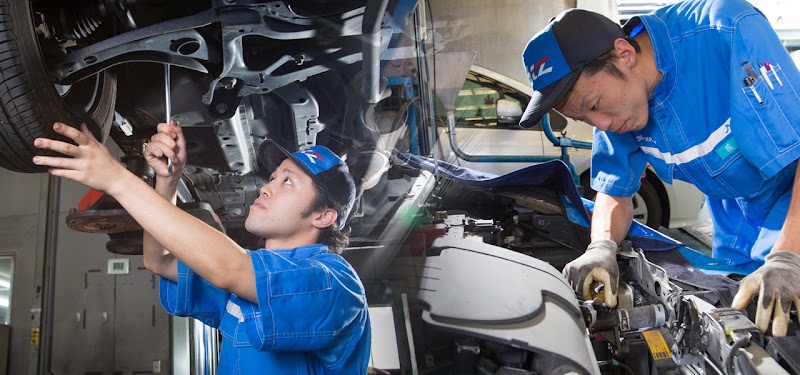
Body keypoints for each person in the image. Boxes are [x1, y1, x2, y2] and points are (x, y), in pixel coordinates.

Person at [518, 0, 800, 337]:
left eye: (593, 106)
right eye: (583, 118)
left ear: (624, 54)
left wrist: (787, 255)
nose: (601, 124)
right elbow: (614, 190)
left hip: (791, 201)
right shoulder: (615, 101)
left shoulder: (726, 29)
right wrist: (601, 247)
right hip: (733, 215)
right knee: (738, 325)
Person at [31, 121, 371, 373]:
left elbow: (229, 269)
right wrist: (167, 180)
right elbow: (159, 260)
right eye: (272, 177)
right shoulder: (255, 275)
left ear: (324, 216)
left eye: (288, 182)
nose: (267, 188)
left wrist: (118, 180)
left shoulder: (334, 282)